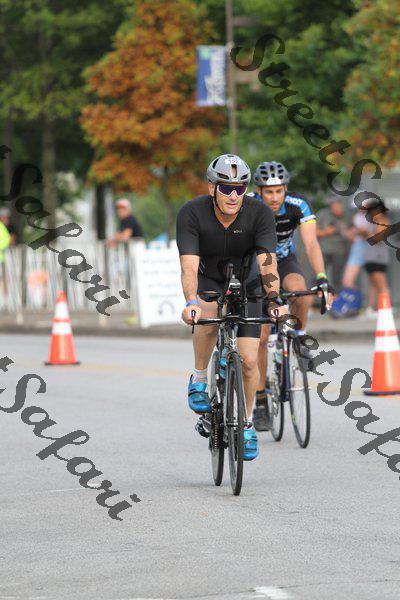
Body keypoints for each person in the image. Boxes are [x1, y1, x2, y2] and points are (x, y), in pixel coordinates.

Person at [176, 154, 283, 461]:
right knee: (207, 312)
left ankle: (246, 424)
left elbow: (267, 263)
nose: (234, 196)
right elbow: (188, 266)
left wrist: (274, 299)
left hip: (248, 283)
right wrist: (191, 302)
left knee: (249, 361)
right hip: (209, 279)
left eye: (240, 188)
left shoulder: (260, 213)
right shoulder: (192, 213)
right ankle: (199, 377)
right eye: (226, 188)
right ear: (212, 188)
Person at [251, 161, 333, 431]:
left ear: (286, 189)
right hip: (255, 266)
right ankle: (260, 402)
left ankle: (299, 338)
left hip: (284, 260)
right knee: (262, 336)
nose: (274, 197)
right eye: (269, 192)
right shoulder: (248, 205)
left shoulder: (298, 204)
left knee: (302, 292)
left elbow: (311, 244)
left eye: (279, 191)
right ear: (259, 191)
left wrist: (322, 278)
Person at [316, 196, 352, 293]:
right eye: (336, 207)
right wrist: (326, 232)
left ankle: (336, 297)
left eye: (340, 207)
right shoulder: (323, 214)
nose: (338, 209)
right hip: (324, 250)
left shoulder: (346, 216)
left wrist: (347, 233)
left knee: (337, 277)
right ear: (331, 207)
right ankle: (317, 296)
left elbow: (352, 233)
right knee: (320, 274)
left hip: (340, 251)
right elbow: (314, 232)